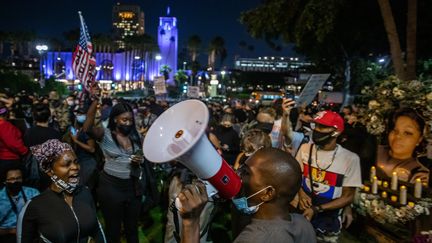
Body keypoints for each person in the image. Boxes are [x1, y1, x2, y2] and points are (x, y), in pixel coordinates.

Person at [179, 148, 316, 243]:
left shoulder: (254, 239)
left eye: (245, 172)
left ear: (267, 193)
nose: (236, 174)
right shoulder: (303, 223)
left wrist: (190, 223)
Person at [82, 85, 146, 243]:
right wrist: (95, 102)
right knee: (113, 230)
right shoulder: (106, 134)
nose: (128, 123)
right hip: (110, 188)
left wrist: (139, 159)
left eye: (130, 120)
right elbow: (87, 127)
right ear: (115, 118)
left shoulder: (136, 136)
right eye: (124, 119)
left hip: (132, 187)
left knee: (132, 230)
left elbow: (142, 155)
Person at [17, 139, 105, 242]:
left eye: (76, 162)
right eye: (67, 164)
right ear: (50, 171)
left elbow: (97, 229)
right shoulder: (34, 206)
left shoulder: (85, 192)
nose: (75, 167)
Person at [296, 110, 362, 243]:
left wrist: (317, 209)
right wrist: (301, 193)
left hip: (328, 219)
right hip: (301, 212)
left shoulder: (350, 159)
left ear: (336, 132)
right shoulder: (305, 148)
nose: (317, 130)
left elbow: (348, 196)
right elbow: (295, 175)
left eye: (322, 127)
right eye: (316, 125)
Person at [377, 108, 430, 184]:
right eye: (395, 130)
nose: (398, 136)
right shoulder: (373, 151)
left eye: (407, 133)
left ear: (419, 139)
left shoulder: (419, 173)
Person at [0, 165, 39, 243]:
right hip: (7, 235)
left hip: (31, 232)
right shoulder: (0, 198)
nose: (15, 181)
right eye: (11, 179)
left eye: (18, 178)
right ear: (5, 181)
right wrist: (10, 231)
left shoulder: (33, 192)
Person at [0, 104, 28, 183]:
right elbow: (13, 144)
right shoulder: (4, 125)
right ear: (6, 114)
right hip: (10, 160)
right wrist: (25, 151)